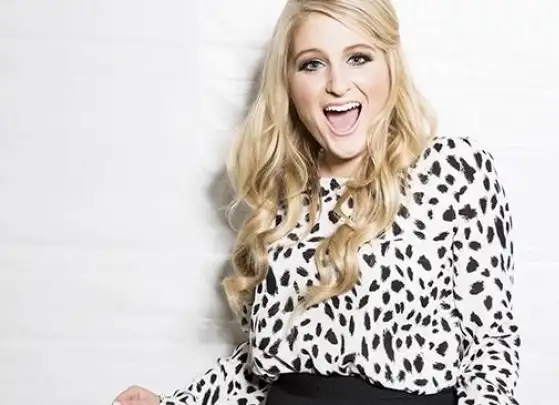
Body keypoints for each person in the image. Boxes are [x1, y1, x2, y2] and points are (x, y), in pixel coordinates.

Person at [112, 0, 521, 404]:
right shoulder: (284, 197)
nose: (337, 84)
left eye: (358, 58)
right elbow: (262, 368)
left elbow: (491, 348)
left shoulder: (453, 170)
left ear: (390, 65)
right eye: (312, 64)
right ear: (289, 83)